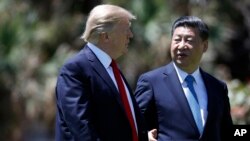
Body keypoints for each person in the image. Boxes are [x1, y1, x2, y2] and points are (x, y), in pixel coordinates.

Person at [55, 4, 148, 141]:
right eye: (126, 30)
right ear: (106, 36)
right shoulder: (75, 70)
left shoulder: (113, 69)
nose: (131, 35)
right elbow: (82, 129)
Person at [135, 16, 233, 141]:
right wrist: (145, 137)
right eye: (177, 40)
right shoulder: (151, 82)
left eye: (189, 40)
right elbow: (134, 125)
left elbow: (226, 132)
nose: (181, 46)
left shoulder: (218, 87)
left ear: (205, 46)